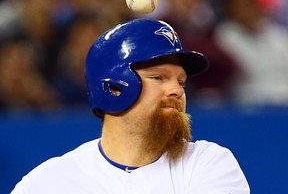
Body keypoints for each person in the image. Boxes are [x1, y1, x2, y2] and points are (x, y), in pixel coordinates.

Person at [11, 18, 250, 193]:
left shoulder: (208, 163)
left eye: (181, 82)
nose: (177, 90)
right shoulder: (48, 182)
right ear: (113, 88)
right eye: (158, 78)